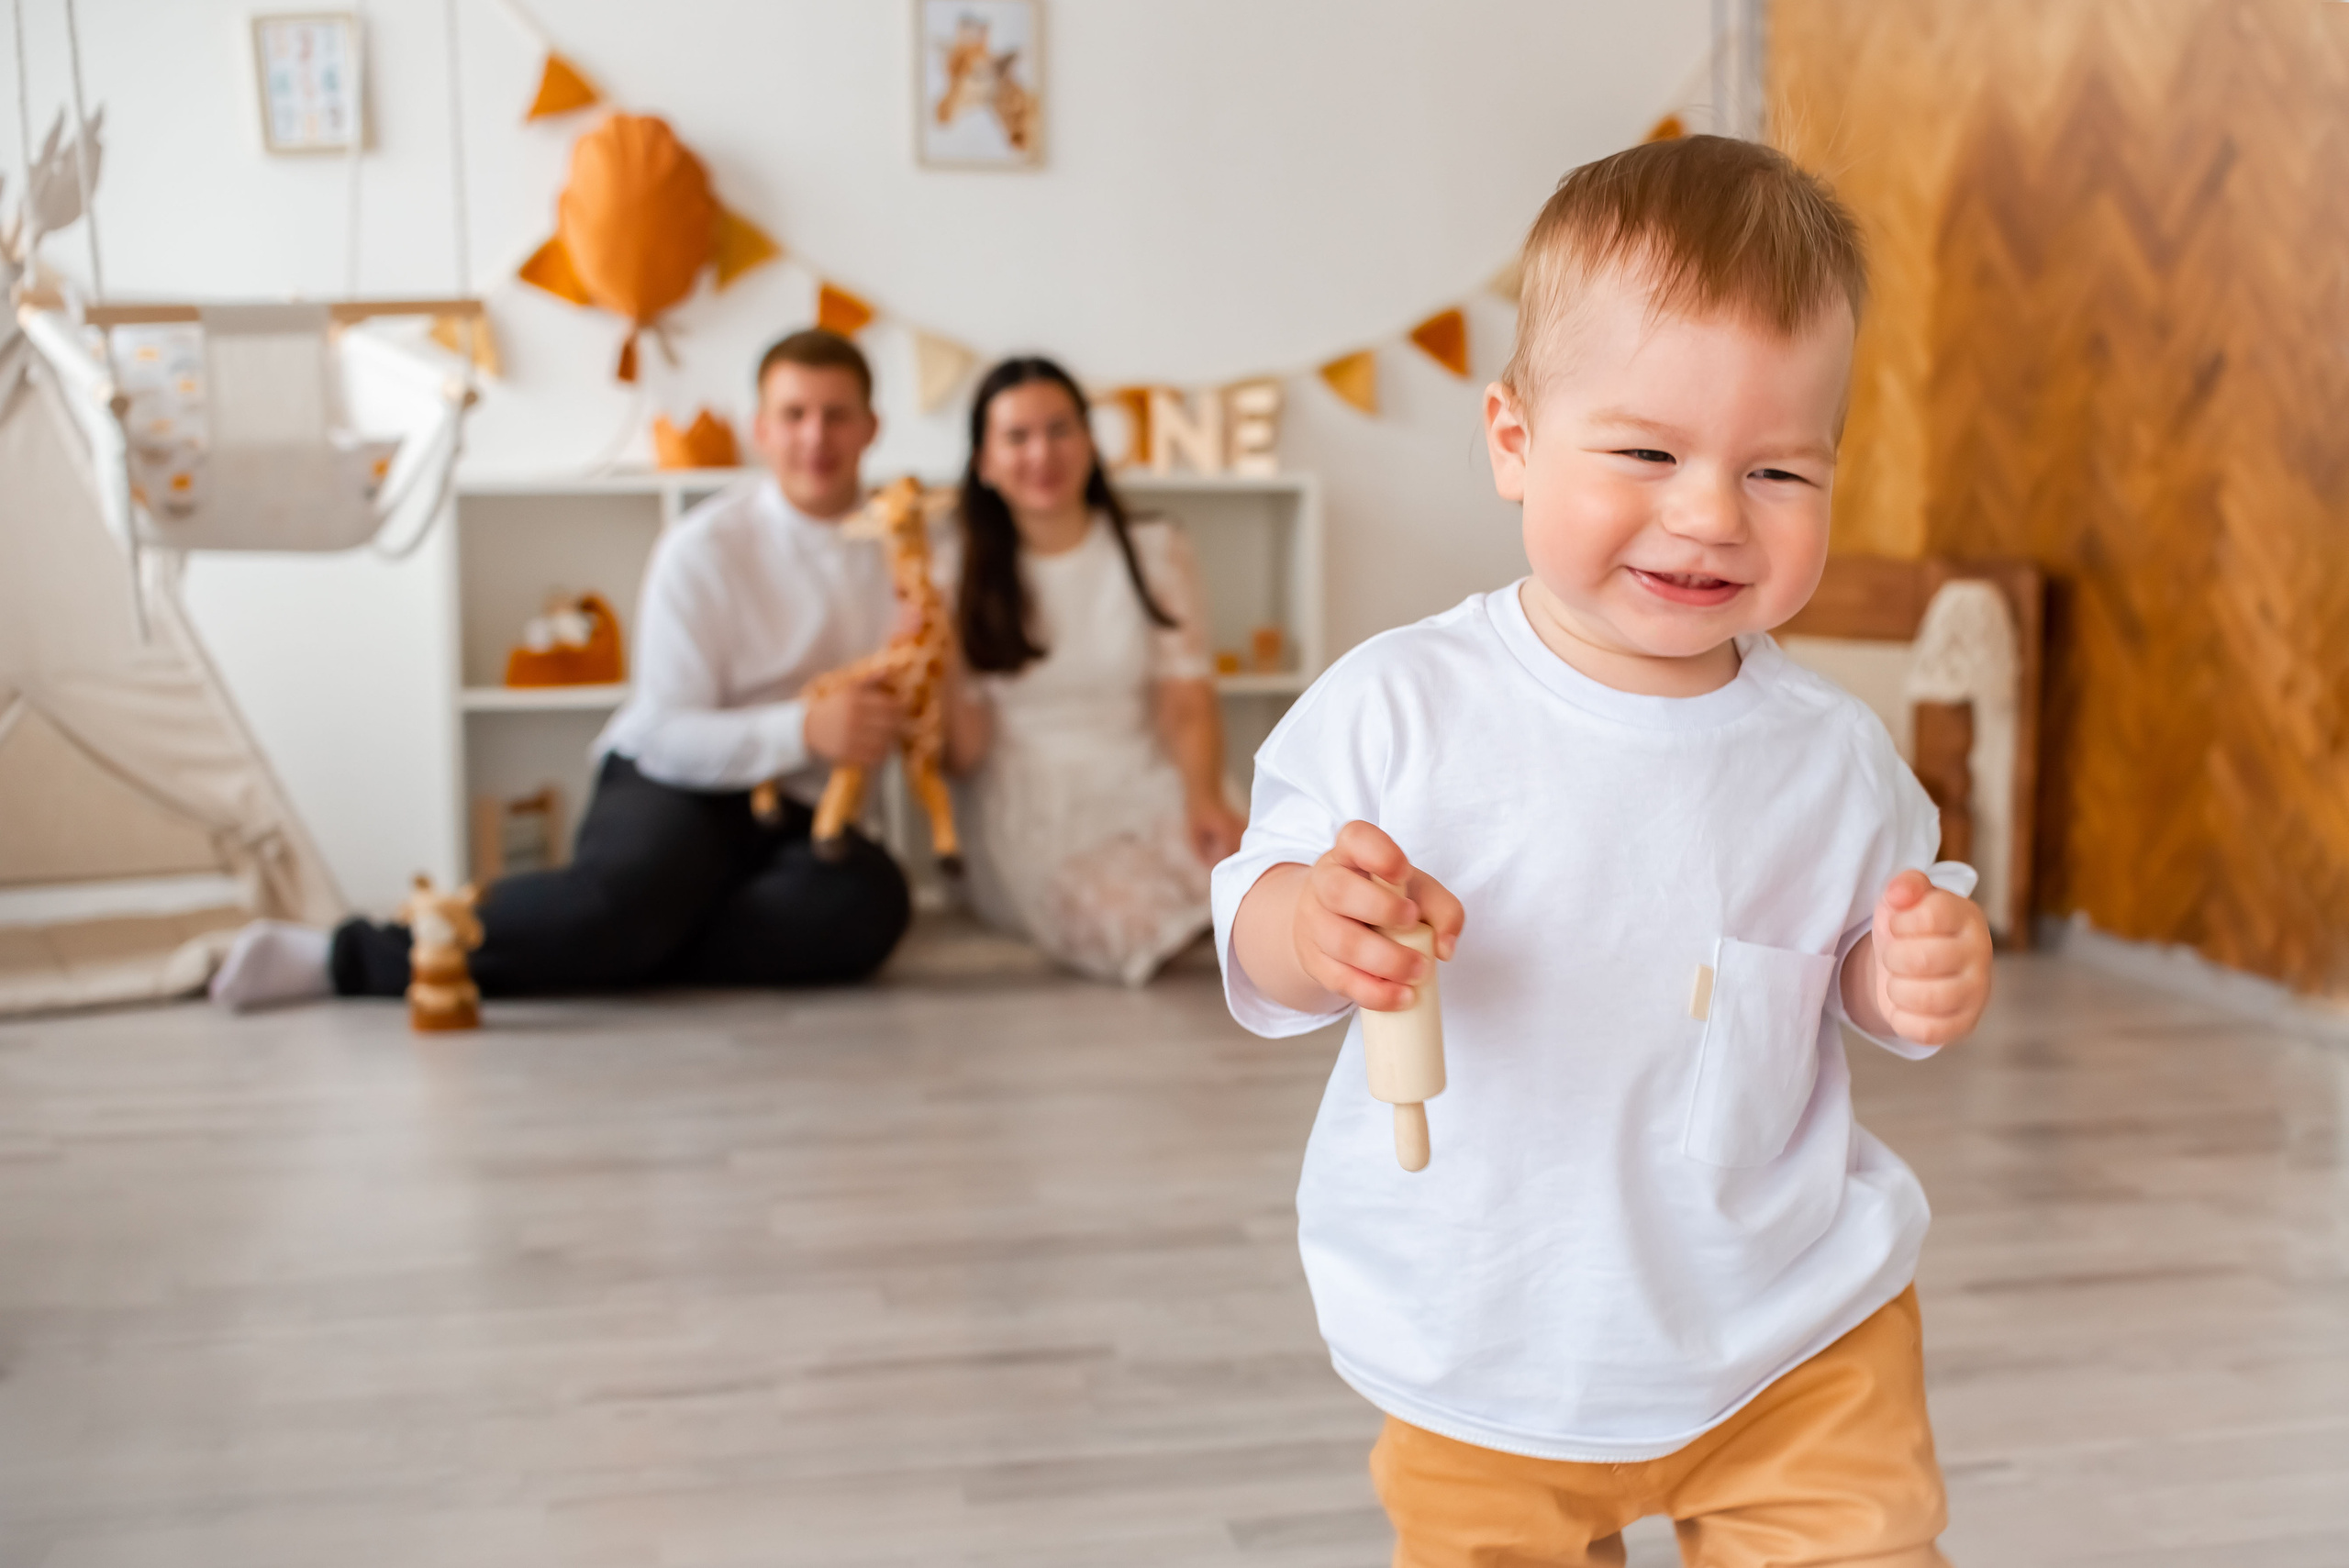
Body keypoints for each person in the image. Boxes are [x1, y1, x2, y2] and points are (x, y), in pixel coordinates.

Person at [1213, 137, 1995, 1566]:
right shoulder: (1405, 705)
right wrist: (1309, 922)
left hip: (1789, 1333)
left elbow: (1869, 958)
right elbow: (1258, 913)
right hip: (1485, 1337)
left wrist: (1917, 969)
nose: (1708, 513)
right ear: (1514, 440)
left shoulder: (1830, 753)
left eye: (1777, 469)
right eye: (1646, 452)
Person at [210, 329, 916, 1007]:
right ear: (761, 428)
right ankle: (350, 955)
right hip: (677, 785)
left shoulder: (909, 555)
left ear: (871, 427)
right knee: (623, 899)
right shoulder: (704, 548)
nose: (815, 437)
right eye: (795, 415)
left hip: (800, 812)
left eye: (836, 416)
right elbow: (668, 731)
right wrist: (803, 728)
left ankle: (622, 950)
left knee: (868, 906)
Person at [945, 357, 1247, 985]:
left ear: (1089, 440)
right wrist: (931, 647)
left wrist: (1204, 795)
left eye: (1060, 429)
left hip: (1148, 774)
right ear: (985, 462)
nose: (1042, 453)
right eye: (1017, 437)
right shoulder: (953, 574)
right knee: (1129, 918)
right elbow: (964, 753)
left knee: (1252, 878)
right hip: (1032, 802)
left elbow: (1186, 698)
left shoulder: (1156, 548)